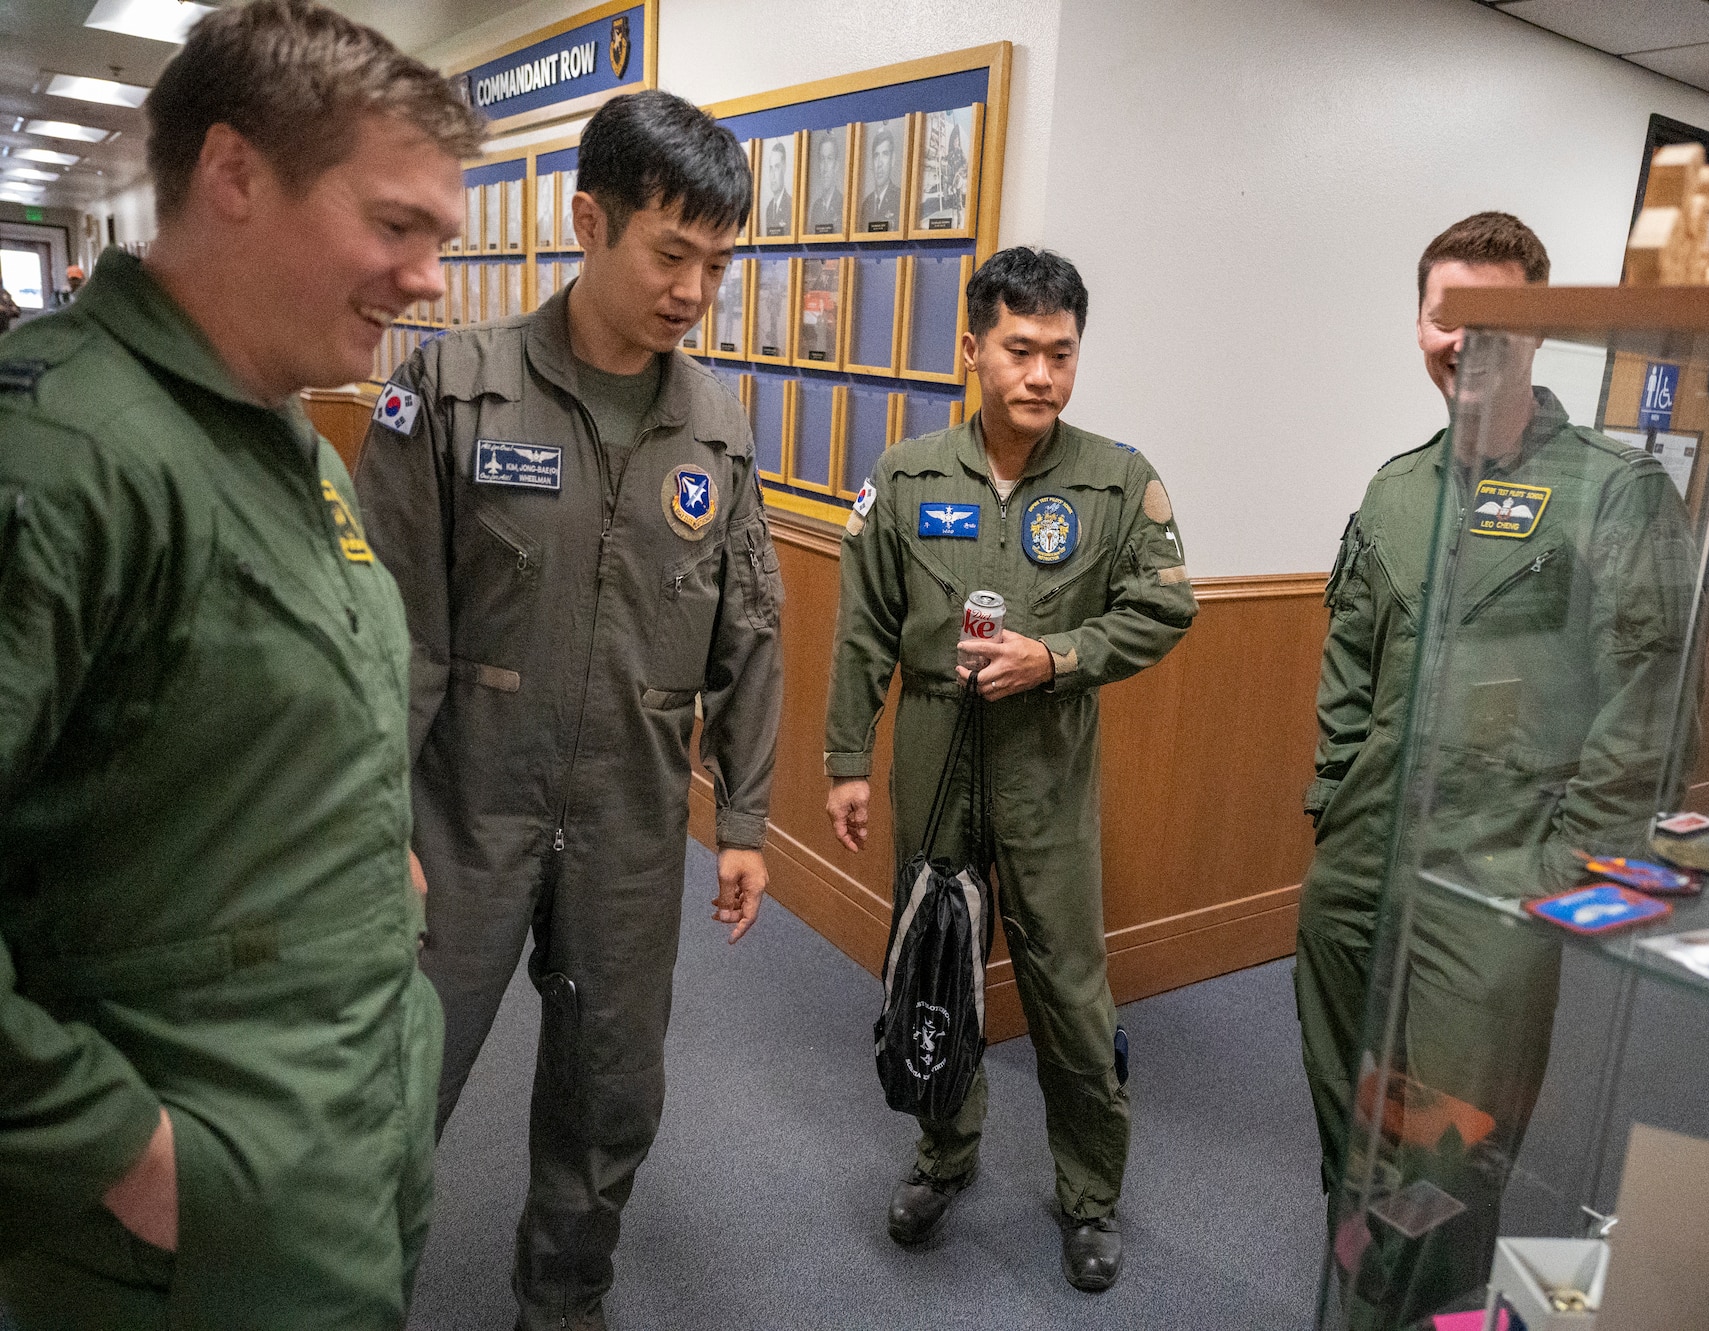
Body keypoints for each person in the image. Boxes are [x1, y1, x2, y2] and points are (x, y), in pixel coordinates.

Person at [0, 3, 479, 1327]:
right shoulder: (63, 457)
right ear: (234, 176)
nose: (430, 276)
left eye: (441, 236)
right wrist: (111, 1145)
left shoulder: (290, 447)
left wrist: (365, 835)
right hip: (188, 1202)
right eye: (397, 225)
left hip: (342, 1112)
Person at [355, 90, 780, 1331]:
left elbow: (748, 630)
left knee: (607, 1097)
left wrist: (743, 816)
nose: (694, 288)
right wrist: (369, 814)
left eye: (716, 262)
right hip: (459, 814)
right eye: (669, 253)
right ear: (586, 219)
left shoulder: (714, 426)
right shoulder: (452, 389)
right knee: (393, 1082)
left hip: (629, 826)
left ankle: (563, 1299)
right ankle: (347, 1295)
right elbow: (386, 636)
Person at [1294, 213, 1696, 1327]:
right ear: (1417, 324)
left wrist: (1573, 865)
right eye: (1445, 315)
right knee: (1347, 1096)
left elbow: (1651, 707)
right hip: (1364, 854)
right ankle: (1360, 1275)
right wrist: (1331, 801)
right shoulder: (1395, 490)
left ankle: (1412, 1308)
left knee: (1457, 1132)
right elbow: (1347, 659)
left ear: (1537, 333)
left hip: (1500, 867)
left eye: (1496, 320)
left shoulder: (1614, 494)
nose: (1464, 341)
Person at [824, 247, 1196, 1292]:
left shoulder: (1115, 479)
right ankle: (944, 1155)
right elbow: (862, 633)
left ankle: (1086, 1195)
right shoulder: (905, 476)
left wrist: (1058, 656)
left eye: (1060, 353)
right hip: (932, 755)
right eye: (1019, 349)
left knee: (1069, 990)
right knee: (933, 959)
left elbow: (1166, 604)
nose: (1040, 374)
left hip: (1045, 764)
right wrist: (846, 758)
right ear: (973, 348)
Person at [858, 124, 902, 231]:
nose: (879, 163)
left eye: (885, 154)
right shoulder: (866, 205)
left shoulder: (900, 200)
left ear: (892, 160)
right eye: (876, 155)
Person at [806, 131, 844, 234]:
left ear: (836, 165)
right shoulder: (816, 207)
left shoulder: (843, 204)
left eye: (829, 159)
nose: (825, 167)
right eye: (822, 159)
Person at [760, 135, 793, 236]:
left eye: (777, 167)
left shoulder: (791, 205)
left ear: (784, 168)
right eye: (771, 168)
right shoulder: (769, 208)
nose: (773, 175)